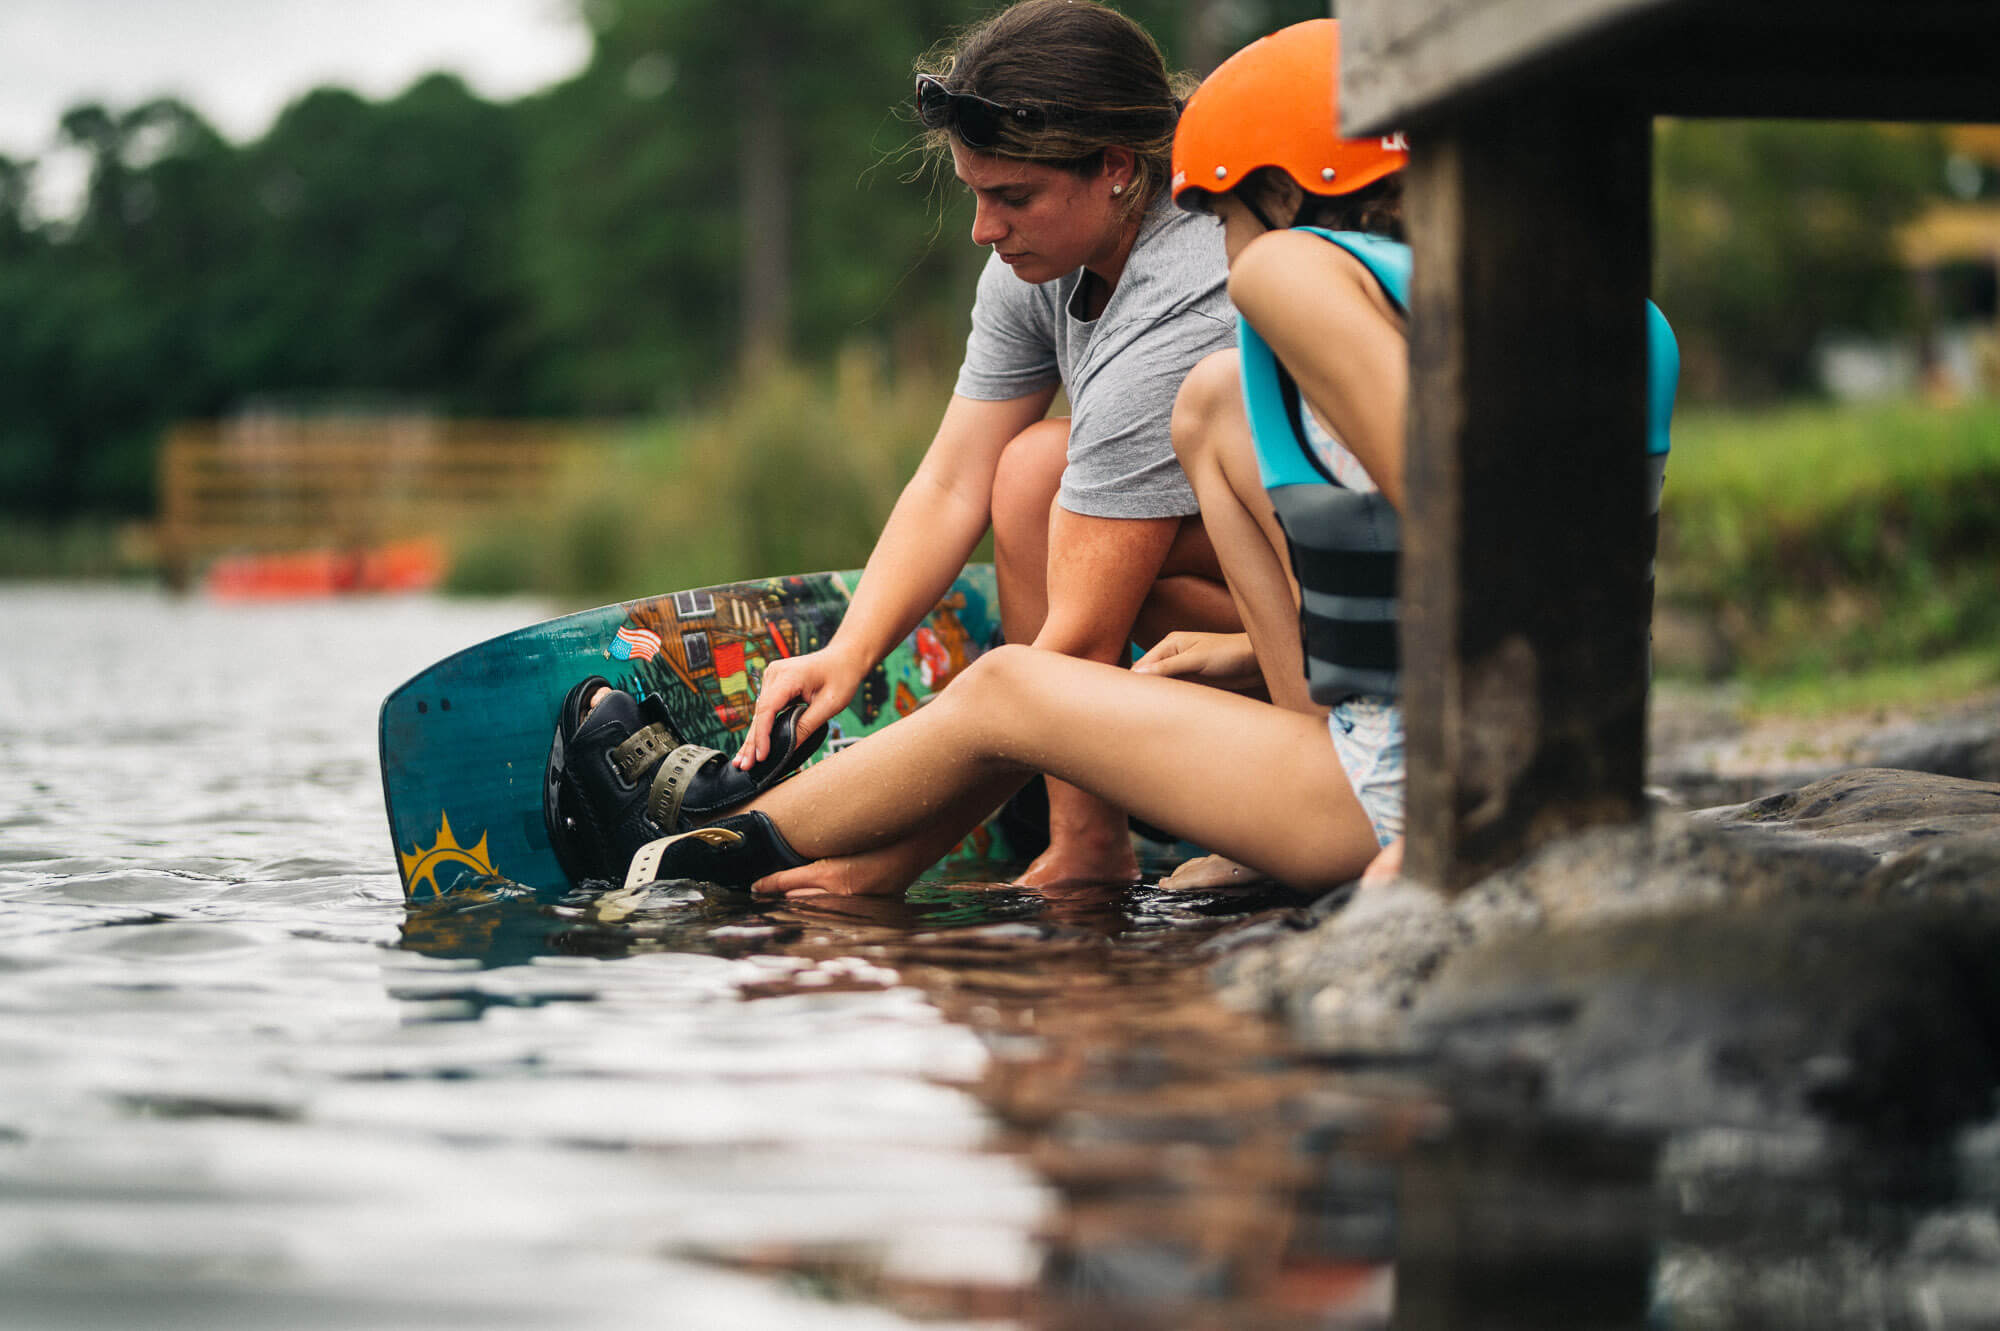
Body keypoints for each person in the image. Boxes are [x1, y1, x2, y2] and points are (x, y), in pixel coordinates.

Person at [548, 17, 1675, 901]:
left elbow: (1464, 514)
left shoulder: (1279, 274)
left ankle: (695, 850)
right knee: (1170, 430)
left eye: (1215, 207)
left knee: (1008, 678)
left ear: (1280, 192)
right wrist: (851, 652)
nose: (1216, 240)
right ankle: (1142, 827)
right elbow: (1550, 562)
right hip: (1479, 751)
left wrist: (879, 864)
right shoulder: (1604, 318)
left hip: (1409, 786)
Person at [728, 0, 1240, 891]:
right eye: (975, 193)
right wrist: (848, 655)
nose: (983, 230)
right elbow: (951, 481)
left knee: (1046, 474)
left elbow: (1070, 652)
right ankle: (1088, 844)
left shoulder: (1187, 286)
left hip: (1352, 628)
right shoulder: (1036, 257)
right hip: (1222, 591)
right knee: (1031, 466)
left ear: (1118, 168)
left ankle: (1141, 827)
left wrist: (888, 861)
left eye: (1012, 198)